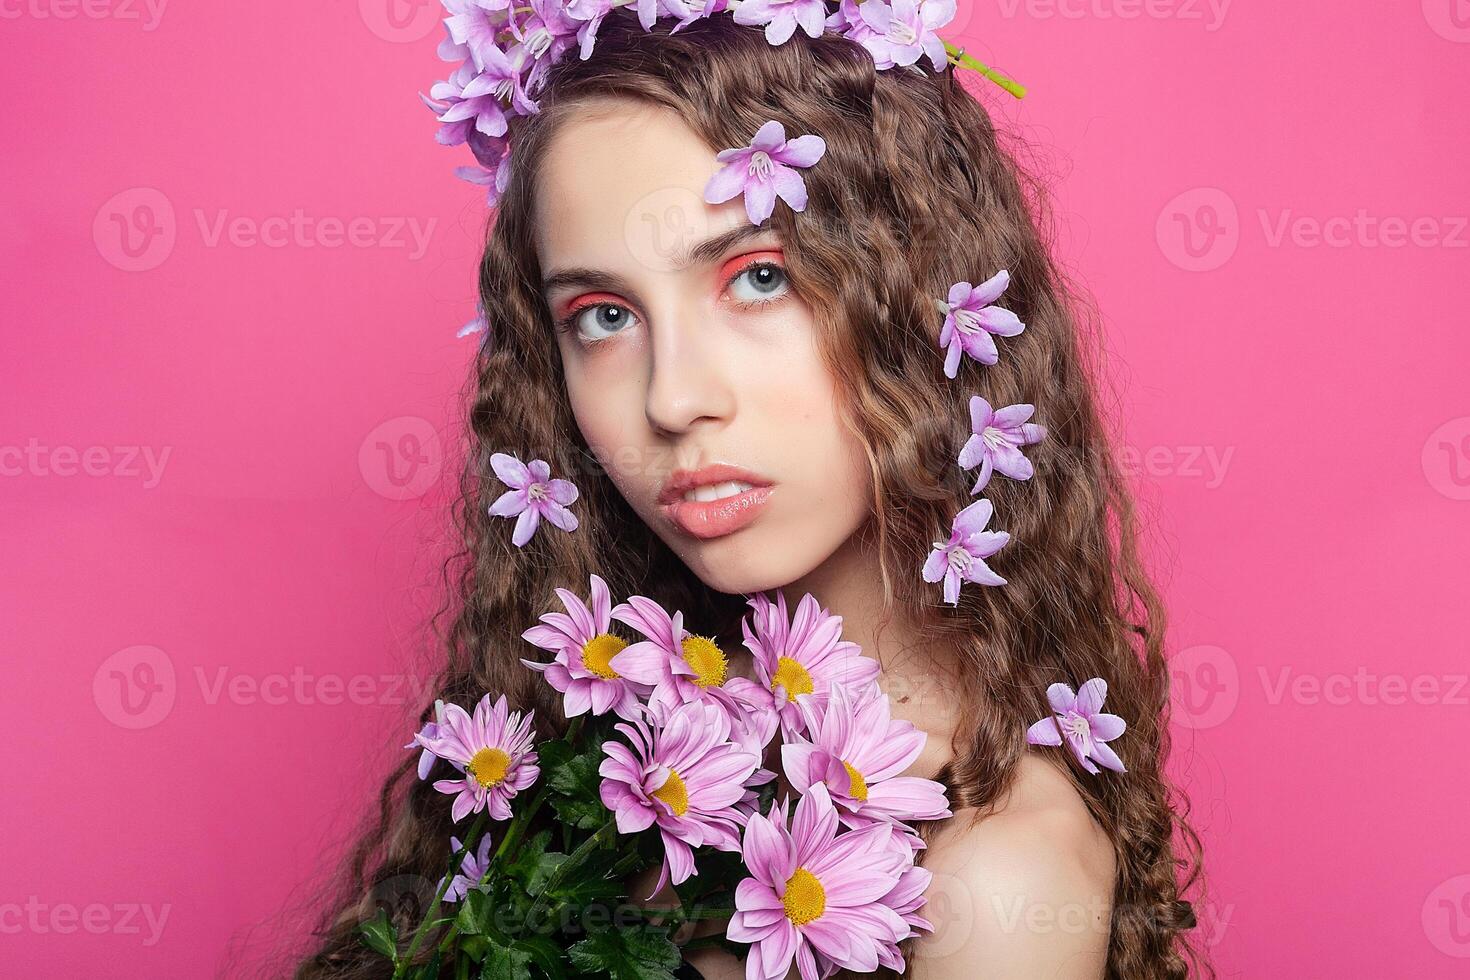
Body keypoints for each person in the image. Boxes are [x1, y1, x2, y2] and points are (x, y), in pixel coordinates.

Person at [292, 9, 1207, 979]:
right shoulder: (613, 734)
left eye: (760, 276)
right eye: (603, 315)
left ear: (917, 290)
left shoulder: (994, 872)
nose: (673, 397)